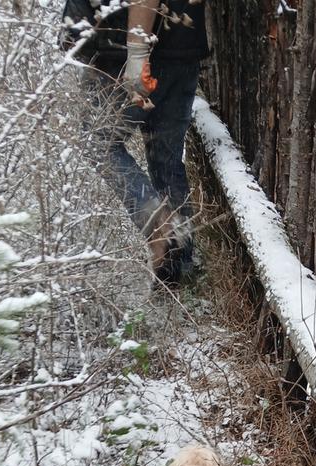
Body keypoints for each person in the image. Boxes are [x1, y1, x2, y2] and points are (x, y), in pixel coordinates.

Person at [62, 0, 210, 284]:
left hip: (124, 53)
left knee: (96, 141)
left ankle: (157, 222)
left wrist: (137, 54)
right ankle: (179, 274)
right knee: (166, 160)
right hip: (181, 48)